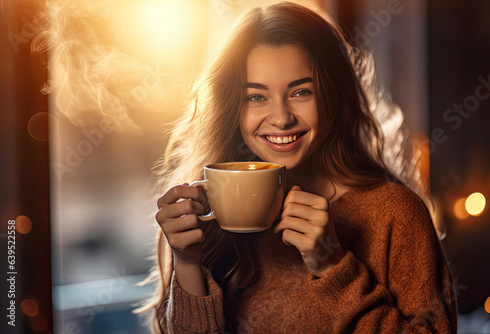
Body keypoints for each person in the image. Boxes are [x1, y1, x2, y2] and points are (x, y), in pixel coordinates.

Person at [140, 2, 457, 333]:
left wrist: (335, 269)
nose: (281, 117)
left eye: (301, 91)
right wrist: (188, 263)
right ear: (233, 107)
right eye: (256, 97)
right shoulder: (210, 219)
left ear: (333, 95)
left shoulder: (397, 215)